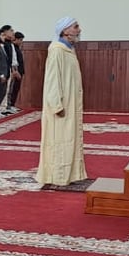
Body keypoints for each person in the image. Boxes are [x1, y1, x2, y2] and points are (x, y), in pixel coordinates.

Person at [35, 16, 87, 186]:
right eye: (76, 27)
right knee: (60, 141)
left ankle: (69, 175)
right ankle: (57, 176)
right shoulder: (57, 50)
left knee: (69, 139)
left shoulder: (69, 50)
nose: (79, 30)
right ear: (65, 31)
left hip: (70, 103)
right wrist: (57, 104)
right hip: (61, 105)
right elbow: (52, 80)